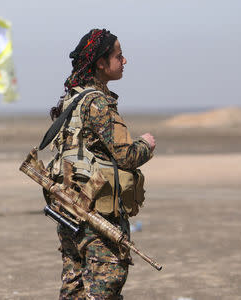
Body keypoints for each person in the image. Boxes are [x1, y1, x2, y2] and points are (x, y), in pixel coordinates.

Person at [47, 29, 156, 299]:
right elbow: (125, 156)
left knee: (74, 287)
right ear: (100, 62)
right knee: (106, 283)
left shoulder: (71, 100)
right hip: (96, 215)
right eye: (119, 56)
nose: (124, 61)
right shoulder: (96, 102)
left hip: (70, 209)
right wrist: (146, 144)